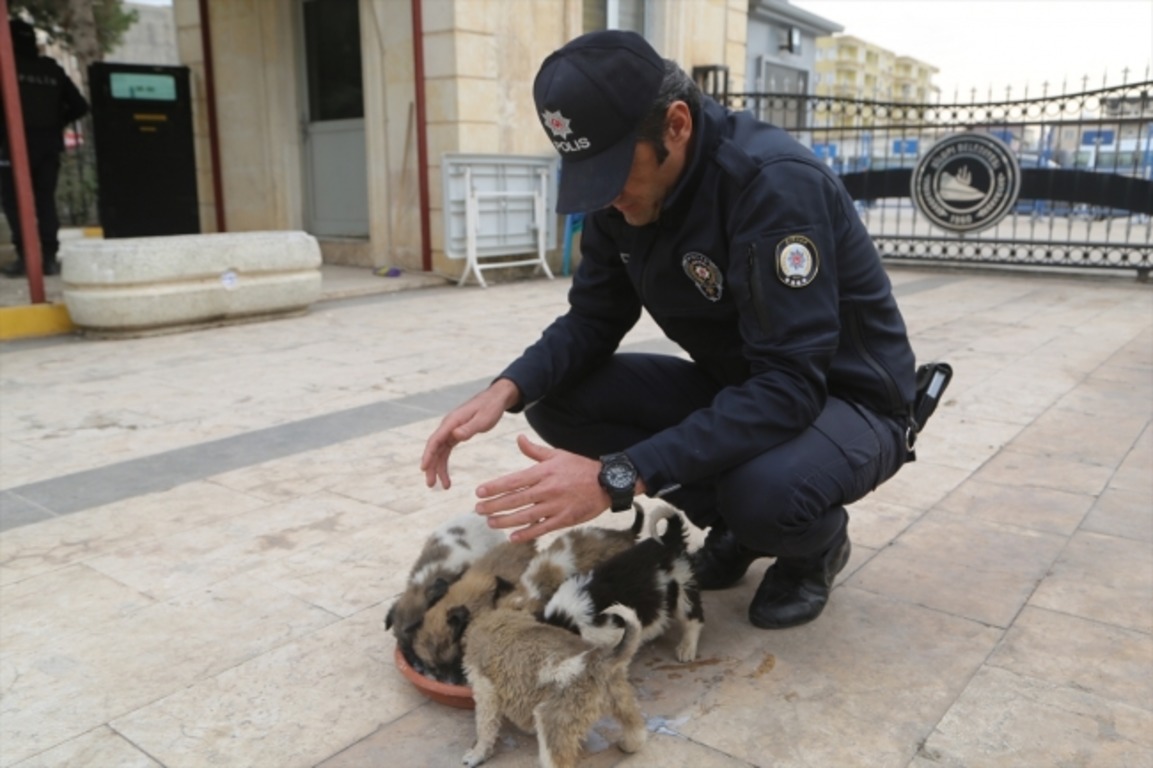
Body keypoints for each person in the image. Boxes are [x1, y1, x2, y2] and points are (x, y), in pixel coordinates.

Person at [421, 30, 918, 630]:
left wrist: (616, 476)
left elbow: (790, 385)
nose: (607, 200)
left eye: (613, 172)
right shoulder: (622, 200)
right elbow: (593, 318)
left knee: (765, 492)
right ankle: (737, 526)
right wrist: (504, 389)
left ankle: (812, 543)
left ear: (676, 125)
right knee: (557, 397)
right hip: (742, 386)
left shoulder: (771, 186)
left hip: (845, 399)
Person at [0, 18, 89, 277]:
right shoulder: (51, 69)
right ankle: (49, 258)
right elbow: (80, 105)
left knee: (15, 202)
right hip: (48, 145)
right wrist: (55, 124)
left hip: (14, 144)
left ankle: (26, 258)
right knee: (45, 201)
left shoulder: (6, 67)